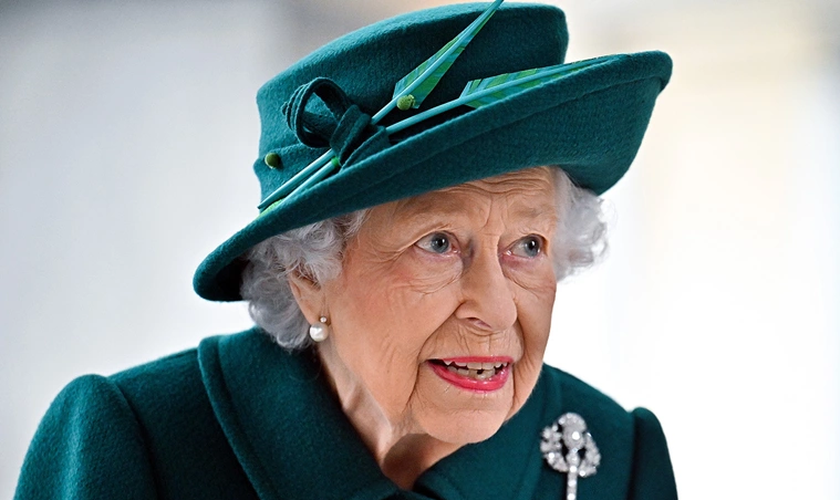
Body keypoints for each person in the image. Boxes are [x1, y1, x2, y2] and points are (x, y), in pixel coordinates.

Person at [15, 2, 676, 499]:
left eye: (528, 244)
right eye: (440, 243)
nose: (499, 313)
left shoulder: (614, 458)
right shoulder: (138, 444)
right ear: (307, 272)